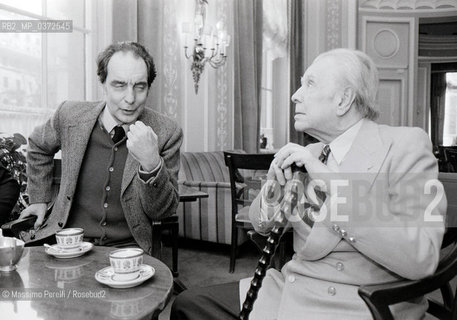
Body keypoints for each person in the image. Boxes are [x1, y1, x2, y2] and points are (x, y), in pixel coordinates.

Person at [171, 48, 446, 319]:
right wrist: (273, 183)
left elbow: (422, 258)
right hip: (289, 290)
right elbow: (259, 224)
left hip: (359, 304)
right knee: (187, 304)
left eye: (309, 84)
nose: (295, 95)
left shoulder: (405, 145)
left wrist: (331, 184)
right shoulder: (310, 154)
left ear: (344, 100)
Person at [19, 41, 183, 255]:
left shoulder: (167, 132)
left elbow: (161, 212)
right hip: (66, 244)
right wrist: (39, 199)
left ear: (148, 87)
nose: (130, 98)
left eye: (139, 87)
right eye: (119, 85)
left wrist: (151, 163)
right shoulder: (69, 115)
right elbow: (38, 145)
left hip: (129, 251)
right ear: (103, 83)